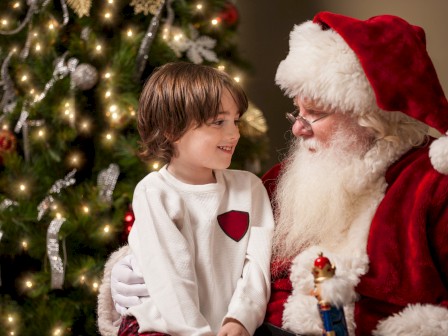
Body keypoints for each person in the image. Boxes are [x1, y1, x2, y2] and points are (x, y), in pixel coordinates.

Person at [99, 12, 448, 336]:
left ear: (370, 117)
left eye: (315, 113)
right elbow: (200, 244)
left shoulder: (430, 185)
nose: (298, 129)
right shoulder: (282, 180)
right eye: (296, 111)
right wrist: (131, 265)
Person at [97, 62, 275, 336]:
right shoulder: (155, 192)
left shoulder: (250, 188)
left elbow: (258, 265)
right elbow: (171, 282)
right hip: (165, 329)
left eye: (235, 120)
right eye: (218, 122)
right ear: (172, 129)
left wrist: (241, 318)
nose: (234, 133)